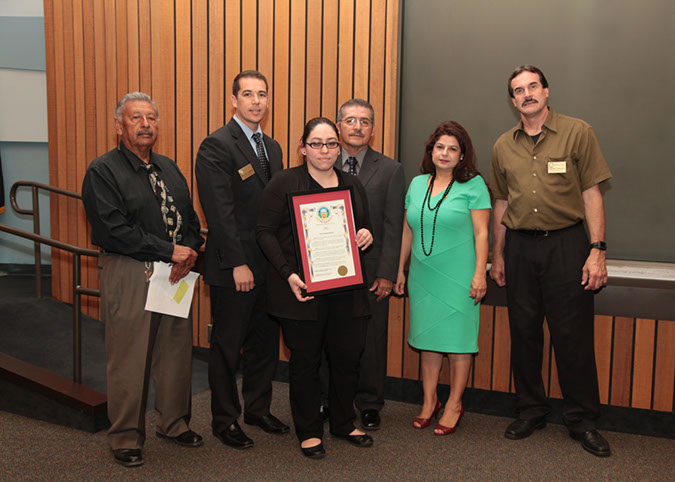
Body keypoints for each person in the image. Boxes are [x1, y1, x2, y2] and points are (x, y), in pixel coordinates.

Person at [489, 65, 612, 457]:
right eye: (518, 90)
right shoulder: (501, 146)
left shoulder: (579, 132)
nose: (526, 94)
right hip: (520, 248)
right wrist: (497, 254)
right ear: (512, 100)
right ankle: (531, 409)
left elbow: (592, 193)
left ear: (546, 91)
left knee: (572, 336)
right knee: (524, 333)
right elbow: (501, 203)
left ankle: (582, 420)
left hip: (567, 245)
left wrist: (597, 249)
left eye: (532, 87)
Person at [81, 92, 204, 467]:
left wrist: (189, 249)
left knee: (175, 353)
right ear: (119, 126)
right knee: (130, 357)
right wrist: (168, 251)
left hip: (176, 273)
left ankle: (174, 422)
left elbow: (189, 218)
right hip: (130, 269)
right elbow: (111, 229)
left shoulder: (169, 167)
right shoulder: (102, 171)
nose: (146, 125)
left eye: (151, 118)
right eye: (136, 118)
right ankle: (125, 436)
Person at [256, 117, 375, 459]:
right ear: (302, 148)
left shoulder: (352, 184)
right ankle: (309, 430)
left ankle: (342, 421)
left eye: (331, 144)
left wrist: (366, 234)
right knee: (305, 361)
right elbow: (264, 231)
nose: (324, 150)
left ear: (340, 147)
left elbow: (362, 227)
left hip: (346, 290)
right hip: (302, 290)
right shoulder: (284, 183)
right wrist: (287, 273)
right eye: (316, 143)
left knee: (346, 357)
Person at [195, 70, 289, 450]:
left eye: (262, 94)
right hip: (236, 266)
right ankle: (224, 419)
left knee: (265, 343)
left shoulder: (274, 147)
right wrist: (238, 263)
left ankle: (257, 409)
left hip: (269, 266)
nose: (256, 101)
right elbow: (219, 212)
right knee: (227, 345)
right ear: (233, 100)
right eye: (247, 94)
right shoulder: (217, 145)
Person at [394, 121, 490, 436]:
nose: (444, 153)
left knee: (459, 343)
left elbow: (481, 233)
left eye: (452, 149)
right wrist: (399, 269)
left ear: (462, 156)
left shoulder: (474, 185)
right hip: (422, 275)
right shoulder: (417, 183)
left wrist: (479, 274)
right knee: (429, 341)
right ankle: (429, 400)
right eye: (439, 147)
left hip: (460, 276)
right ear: (431, 151)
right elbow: (408, 228)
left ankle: (454, 404)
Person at [334, 99, 406, 431]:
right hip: (329, 270)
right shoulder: (324, 162)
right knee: (329, 336)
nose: (357, 126)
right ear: (339, 126)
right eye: (350, 120)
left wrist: (387, 274)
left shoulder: (391, 169)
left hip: (372, 270)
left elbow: (394, 225)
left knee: (372, 339)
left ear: (373, 130)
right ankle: (330, 398)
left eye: (364, 121)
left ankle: (369, 403)